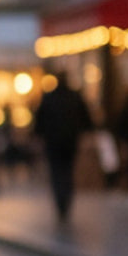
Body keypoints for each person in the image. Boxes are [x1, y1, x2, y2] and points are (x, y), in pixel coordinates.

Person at [33, 71, 93, 222]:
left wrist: (38, 136)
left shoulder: (49, 98)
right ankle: (65, 201)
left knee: (56, 173)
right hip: (70, 142)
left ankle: (61, 202)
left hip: (53, 143)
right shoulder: (74, 97)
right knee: (68, 171)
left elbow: (39, 122)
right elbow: (87, 119)